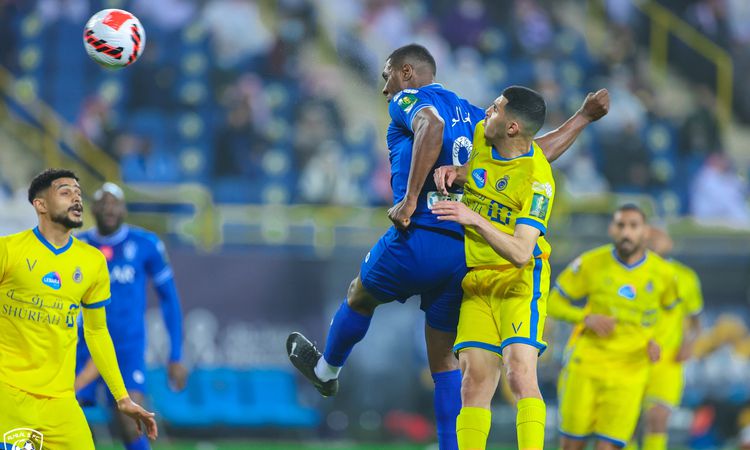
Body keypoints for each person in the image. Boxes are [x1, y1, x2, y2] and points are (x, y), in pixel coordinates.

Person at [287, 43, 609, 450]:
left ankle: (327, 370)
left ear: (406, 72)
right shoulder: (476, 116)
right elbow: (532, 154)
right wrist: (582, 118)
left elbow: (431, 125)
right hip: (466, 255)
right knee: (445, 360)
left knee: (358, 294)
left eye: (387, 75)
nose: (385, 88)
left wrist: (408, 200)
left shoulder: (411, 99)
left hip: (421, 233)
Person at [431, 86, 556, 450]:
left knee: (519, 373)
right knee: (474, 383)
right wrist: (459, 172)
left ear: (513, 127)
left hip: (519, 281)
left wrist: (472, 219)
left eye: (497, 108)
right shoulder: (483, 138)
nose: (489, 110)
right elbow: (484, 174)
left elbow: (520, 251)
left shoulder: (538, 180)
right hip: (478, 281)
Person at [0, 169, 157, 450]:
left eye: (78, 193)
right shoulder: (9, 251)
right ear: (41, 204)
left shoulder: (92, 262)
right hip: (9, 396)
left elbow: (97, 332)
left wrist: (122, 398)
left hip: (60, 402)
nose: (76, 198)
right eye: (65, 192)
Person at [547, 204, 679, 450]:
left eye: (633, 226)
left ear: (645, 232)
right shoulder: (591, 262)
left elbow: (672, 314)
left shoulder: (663, 274)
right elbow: (552, 302)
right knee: (570, 445)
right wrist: (585, 318)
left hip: (630, 372)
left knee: (608, 447)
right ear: (611, 229)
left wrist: (658, 340)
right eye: (620, 225)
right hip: (586, 365)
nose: (626, 232)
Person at [73, 182, 186, 450]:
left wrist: (177, 355)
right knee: (62, 416)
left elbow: (169, 299)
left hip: (126, 349)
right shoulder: (78, 247)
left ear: (124, 209)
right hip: (84, 348)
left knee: (130, 421)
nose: (109, 209)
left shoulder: (146, 244)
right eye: (104, 203)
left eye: (115, 204)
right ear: (93, 208)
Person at [636, 228, 702, 450]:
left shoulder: (685, 277)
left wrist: (689, 345)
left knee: (658, 417)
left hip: (667, 359)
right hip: (631, 355)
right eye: (648, 236)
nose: (652, 240)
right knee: (626, 421)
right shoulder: (629, 272)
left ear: (669, 243)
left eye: (658, 236)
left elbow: (695, 321)